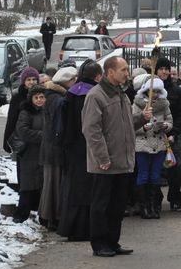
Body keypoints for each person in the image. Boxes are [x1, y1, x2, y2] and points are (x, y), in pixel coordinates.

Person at [82, 57, 151, 257]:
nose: (127, 73)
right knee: (101, 205)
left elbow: (125, 124)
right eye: (123, 69)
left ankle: (113, 241)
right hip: (105, 163)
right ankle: (100, 243)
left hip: (123, 161)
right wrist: (102, 157)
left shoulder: (121, 94)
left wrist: (140, 119)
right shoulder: (96, 96)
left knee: (117, 205)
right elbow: (92, 130)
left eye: (127, 69)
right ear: (110, 72)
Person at [58, 60, 103, 241]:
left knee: (75, 187)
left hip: (72, 145)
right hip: (88, 145)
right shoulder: (93, 95)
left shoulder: (71, 93)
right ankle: (85, 228)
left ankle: (72, 227)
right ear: (98, 76)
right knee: (88, 188)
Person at [38, 66, 77, 231]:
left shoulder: (52, 97)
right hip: (55, 148)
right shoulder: (58, 100)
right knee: (54, 184)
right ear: (67, 81)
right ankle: (52, 217)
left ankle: (49, 216)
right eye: (73, 80)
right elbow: (59, 127)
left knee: (51, 183)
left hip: (50, 147)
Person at [133, 77, 173, 219]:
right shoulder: (137, 104)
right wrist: (143, 127)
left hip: (159, 143)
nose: (154, 94)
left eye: (157, 91)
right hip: (142, 144)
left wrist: (165, 126)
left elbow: (170, 121)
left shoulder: (164, 104)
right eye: (152, 91)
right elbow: (132, 124)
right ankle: (144, 207)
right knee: (143, 174)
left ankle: (154, 206)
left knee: (156, 175)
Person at [155, 57, 181, 212]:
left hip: (171, 134)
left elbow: (180, 114)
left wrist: (174, 133)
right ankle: (155, 200)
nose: (164, 72)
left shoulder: (175, 90)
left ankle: (175, 198)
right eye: (161, 68)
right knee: (155, 169)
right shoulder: (151, 87)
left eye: (167, 69)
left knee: (175, 168)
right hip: (153, 135)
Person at [12, 84, 46, 223]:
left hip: (43, 153)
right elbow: (23, 131)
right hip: (29, 153)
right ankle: (21, 215)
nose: (39, 100)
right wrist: (43, 136)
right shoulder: (25, 112)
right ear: (31, 99)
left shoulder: (47, 112)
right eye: (36, 97)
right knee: (28, 186)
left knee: (42, 186)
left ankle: (42, 215)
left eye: (42, 97)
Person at [3, 67, 40, 155]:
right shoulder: (17, 98)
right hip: (22, 139)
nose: (31, 82)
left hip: (38, 138)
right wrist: (6, 140)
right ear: (24, 81)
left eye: (34, 79)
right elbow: (11, 120)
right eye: (28, 79)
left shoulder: (42, 95)